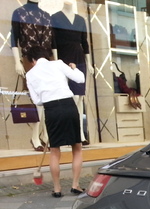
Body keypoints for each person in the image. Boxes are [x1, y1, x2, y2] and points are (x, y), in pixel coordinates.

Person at [25, 46, 86, 198]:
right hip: (68, 105)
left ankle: (57, 189)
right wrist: (74, 68)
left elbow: (37, 101)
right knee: (76, 147)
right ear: (47, 56)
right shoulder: (58, 64)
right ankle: (75, 185)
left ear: (33, 60)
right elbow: (80, 78)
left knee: (54, 151)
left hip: (51, 109)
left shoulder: (30, 74)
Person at [11, 0, 56, 152]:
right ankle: (36, 136)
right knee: (37, 99)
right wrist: (17, 62)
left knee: (47, 98)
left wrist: (55, 63)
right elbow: (14, 40)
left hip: (47, 61)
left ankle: (43, 135)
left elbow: (53, 43)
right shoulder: (19, 13)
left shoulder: (47, 16)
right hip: (30, 60)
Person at [52, 0, 94, 146]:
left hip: (79, 58)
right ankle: (72, 134)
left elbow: (85, 42)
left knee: (79, 97)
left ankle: (80, 133)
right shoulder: (55, 17)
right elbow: (54, 43)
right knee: (68, 98)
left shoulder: (81, 20)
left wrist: (89, 63)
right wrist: (56, 62)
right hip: (63, 59)